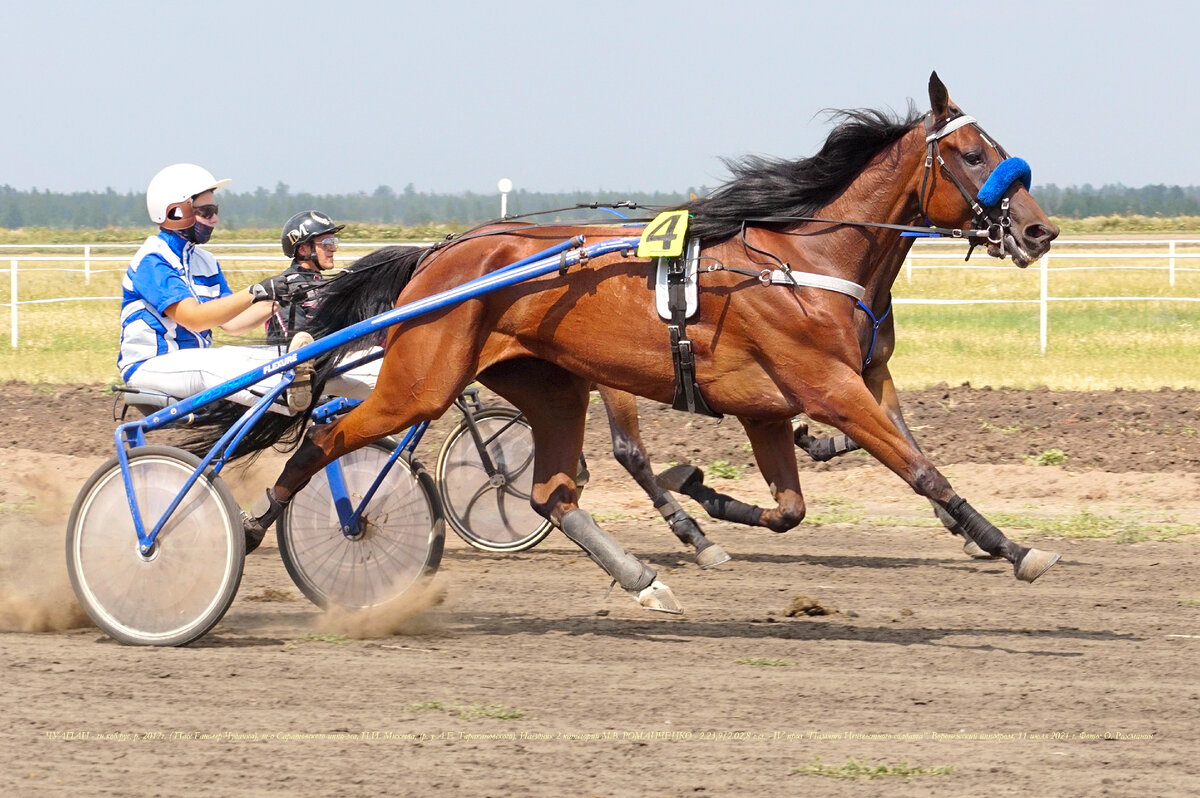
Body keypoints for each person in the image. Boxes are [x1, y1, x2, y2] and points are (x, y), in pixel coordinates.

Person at [118, 163, 312, 412]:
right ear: (176, 212)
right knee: (217, 362)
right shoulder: (153, 260)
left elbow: (233, 323)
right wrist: (255, 291)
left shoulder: (206, 262)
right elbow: (194, 320)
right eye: (207, 211)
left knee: (261, 355)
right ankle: (291, 400)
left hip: (192, 365)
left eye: (215, 210)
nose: (216, 219)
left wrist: (281, 299)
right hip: (149, 367)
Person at [262, 210, 381, 401]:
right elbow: (295, 346)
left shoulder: (325, 284)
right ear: (303, 250)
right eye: (326, 244)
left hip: (332, 365)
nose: (333, 249)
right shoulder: (287, 287)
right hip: (302, 376)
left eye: (334, 242)